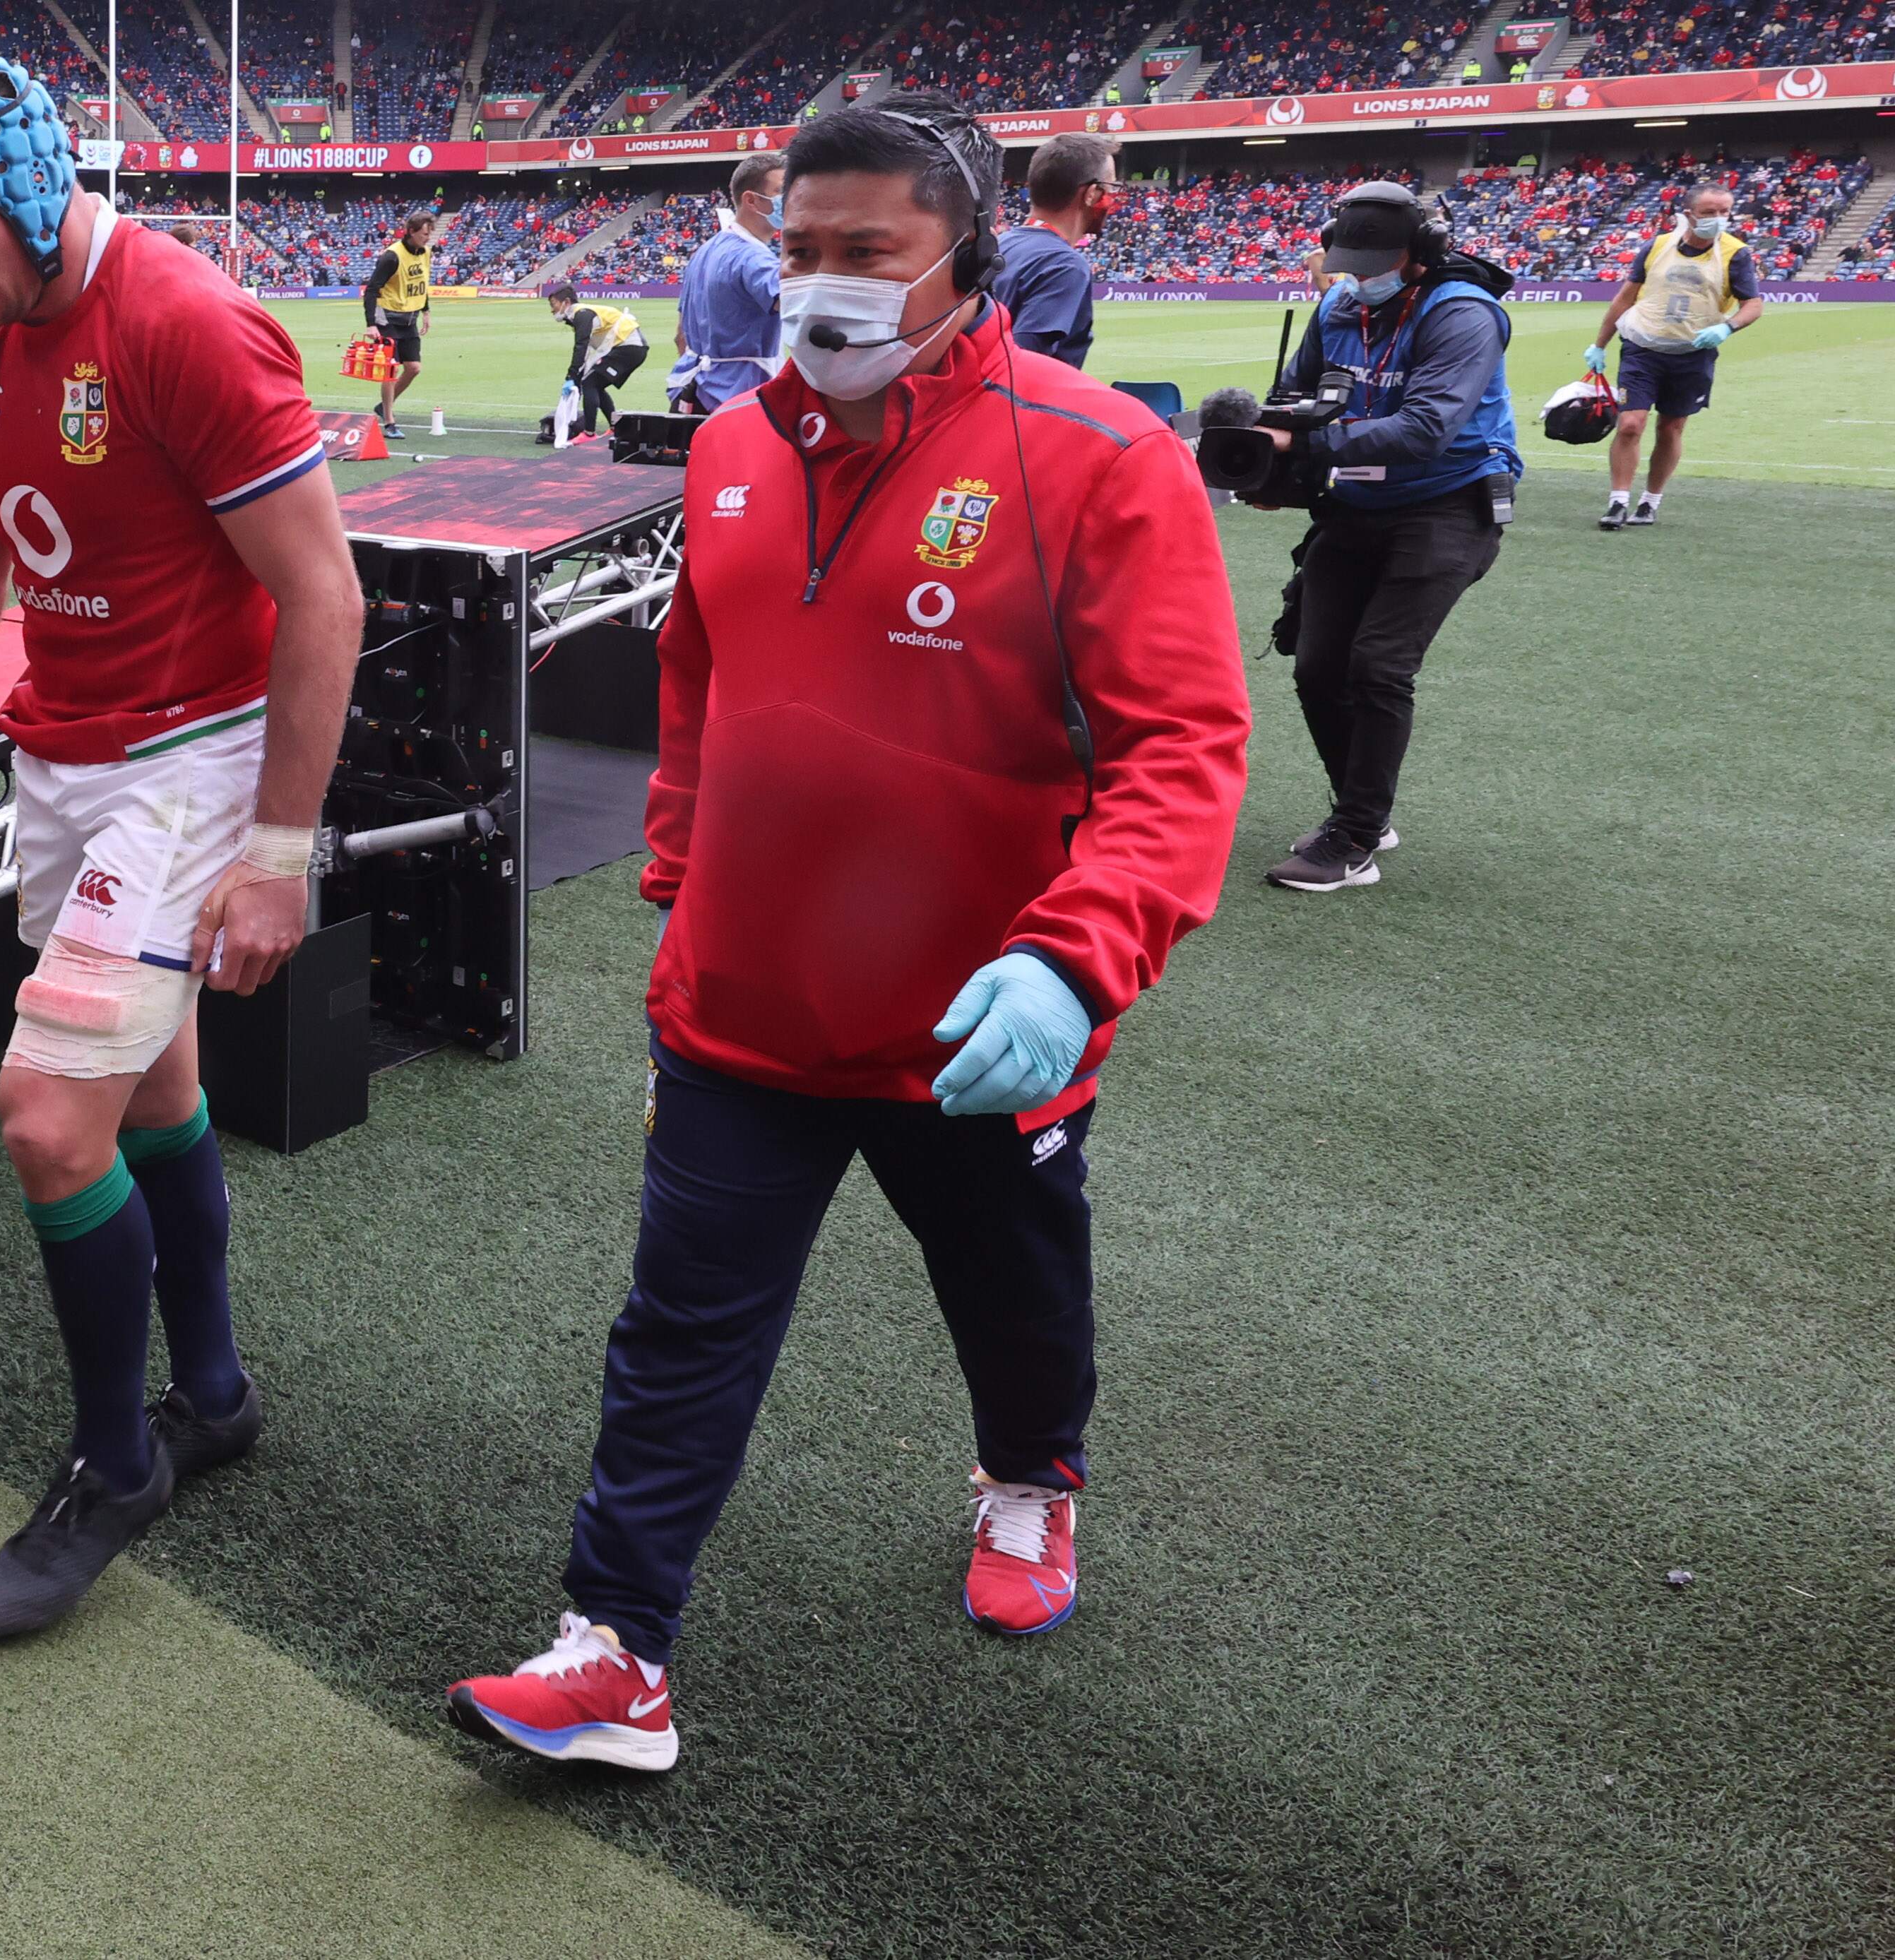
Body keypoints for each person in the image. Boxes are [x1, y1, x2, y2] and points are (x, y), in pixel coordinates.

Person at [444, 90, 1247, 1774]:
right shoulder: (732, 446)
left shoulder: (1104, 458)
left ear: (962, 251)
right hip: (739, 1016)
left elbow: (1181, 751)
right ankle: (613, 1650)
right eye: (796, 247)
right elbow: (696, 695)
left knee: (1009, 1295)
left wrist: (1072, 954)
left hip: (977, 1025)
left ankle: (1029, 1483)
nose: (820, 286)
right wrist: (673, 912)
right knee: (676, 1328)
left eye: (864, 253)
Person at [0, 52, 363, 1639]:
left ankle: (117, 1461)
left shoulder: (183, 322)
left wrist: (280, 849)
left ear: (27, 192)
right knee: (161, 1089)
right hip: (64, 756)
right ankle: (211, 1390)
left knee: (48, 1121)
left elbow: (327, 596)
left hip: (187, 764)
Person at [1259, 182, 1520, 894]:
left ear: (1423, 254)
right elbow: (1293, 398)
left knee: (1377, 665)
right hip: (1359, 502)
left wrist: (1315, 446)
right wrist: (1270, 457)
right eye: (1350, 262)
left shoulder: (1464, 313)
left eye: (1375, 262)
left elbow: (1429, 427)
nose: (1359, 277)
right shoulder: (1337, 308)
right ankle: (1364, 811)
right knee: (1316, 667)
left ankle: (1355, 838)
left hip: (1449, 501)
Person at [1584, 184, 1763, 530]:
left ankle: (1650, 502)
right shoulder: (1657, 246)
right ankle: (1618, 502)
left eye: (1724, 212)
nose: (1718, 219)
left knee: (1671, 427)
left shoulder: (1735, 254)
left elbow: (1753, 304)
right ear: (1689, 214)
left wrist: (1728, 328)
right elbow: (1625, 298)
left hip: (1692, 354)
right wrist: (1600, 345)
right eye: (1709, 212)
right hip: (1642, 348)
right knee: (1631, 424)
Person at [666, 152, 782, 413]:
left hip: (693, 390)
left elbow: (680, 336)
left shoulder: (703, 253)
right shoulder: (754, 257)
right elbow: (797, 301)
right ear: (751, 200)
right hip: (741, 397)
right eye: (780, 192)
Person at [992, 131, 1114, 367]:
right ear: (1091, 194)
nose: (1114, 197)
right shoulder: (1064, 265)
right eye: (1112, 187)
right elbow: (1023, 368)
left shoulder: (1000, 243)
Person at [362, 210, 436, 439]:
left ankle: (384, 407)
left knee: (414, 368)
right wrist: (371, 324)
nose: (428, 237)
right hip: (388, 319)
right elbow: (372, 290)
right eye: (424, 233)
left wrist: (425, 310)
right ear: (411, 232)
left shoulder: (425, 252)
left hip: (410, 318)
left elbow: (421, 283)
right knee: (389, 372)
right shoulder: (391, 256)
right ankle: (390, 422)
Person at [543, 278, 646, 436]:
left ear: (567, 302)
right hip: (628, 347)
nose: (552, 310)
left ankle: (589, 433)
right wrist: (576, 376)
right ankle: (616, 428)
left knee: (589, 382)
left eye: (554, 304)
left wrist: (572, 376)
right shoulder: (580, 315)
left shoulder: (582, 314)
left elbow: (581, 348)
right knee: (595, 384)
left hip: (629, 346)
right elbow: (586, 352)